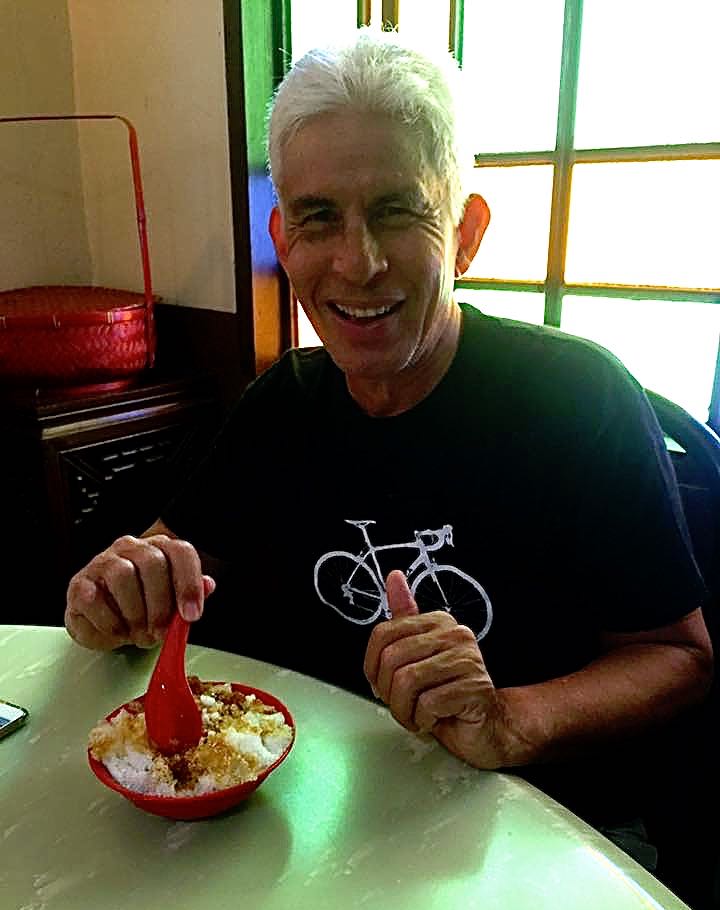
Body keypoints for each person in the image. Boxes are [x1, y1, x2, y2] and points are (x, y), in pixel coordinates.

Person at [65, 30, 712, 867]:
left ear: (466, 232)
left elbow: (677, 655)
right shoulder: (281, 404)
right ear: (283, 240)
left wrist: (509, 721)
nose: (358, 262)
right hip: (319, 820)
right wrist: (115, 594)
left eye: (398, 212)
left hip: (548, 836)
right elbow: (163, 563)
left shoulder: (577, 398)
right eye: (319, 218)